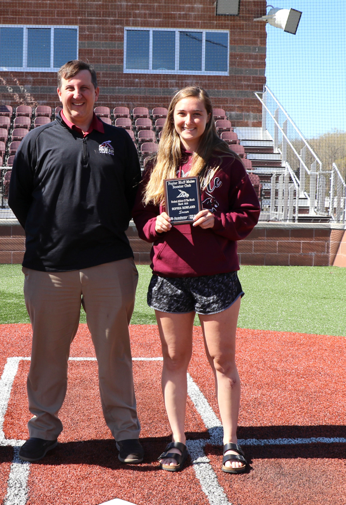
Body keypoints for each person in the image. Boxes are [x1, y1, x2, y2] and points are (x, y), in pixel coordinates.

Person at [8, 60, 144, 464]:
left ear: (96, 93)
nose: (77, 94)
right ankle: (43, 430)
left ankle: (125, 433)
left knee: (114, 352)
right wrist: (50, 235)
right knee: (47, 352)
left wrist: (100, 229)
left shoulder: (119, 141)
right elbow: (20, 199)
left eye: (85, 87)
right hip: (49, 267)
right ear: (60, 93)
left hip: (109, 263)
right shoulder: (37, 140)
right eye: (70, 87)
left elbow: (130, 197)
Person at [132, 87, 260, 474]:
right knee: (174, 360)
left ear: (208, 118)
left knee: (222, 361)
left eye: (197, 114)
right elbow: (141, 218)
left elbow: (249, 213)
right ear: (172, 117)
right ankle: (176, 441)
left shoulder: (226, 162)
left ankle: (231, 442)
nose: (189, 121)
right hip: (170, 277)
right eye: (182, 114)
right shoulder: (158, 162)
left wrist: (216, 221)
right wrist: (158, 224)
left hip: (217, 278)